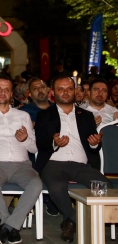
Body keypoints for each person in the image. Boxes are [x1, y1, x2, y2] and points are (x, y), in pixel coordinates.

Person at [35, 76, 112, 243]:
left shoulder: (86, 116)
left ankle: (70, 221)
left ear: (75, 91)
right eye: (60, 89)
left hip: (80, 165)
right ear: (53, 93)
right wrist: (54, 142)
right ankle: (73, 219)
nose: (65, 92)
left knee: (105, 186)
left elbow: (93, 146)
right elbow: (40, 143)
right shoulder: (44, 115)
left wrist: (94, 144)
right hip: (54, 163)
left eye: (69, 88)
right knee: (56, 186)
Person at [0, 75, 42, 243]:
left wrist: (25, 139)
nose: (2, 93)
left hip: (23, 166)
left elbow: (34, 148)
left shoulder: (23, 116)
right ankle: (8, 223)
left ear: (11, 94)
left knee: (36, 184)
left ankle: (7, 227)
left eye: (6, 89)